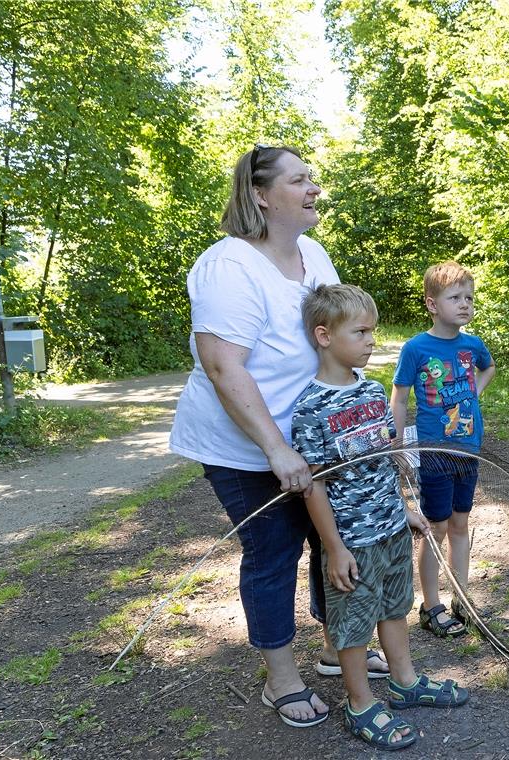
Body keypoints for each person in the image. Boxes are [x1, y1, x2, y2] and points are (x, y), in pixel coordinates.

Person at [168, 145, 386, 729]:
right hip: (245, 445)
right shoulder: (229, 267)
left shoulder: (313, 252)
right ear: (261, 195)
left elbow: (335, 336)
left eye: (312, 178)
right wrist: (275, 448)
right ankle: (281, 680)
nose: (314, 188)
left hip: (315, 434)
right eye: (299, 180)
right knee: (273, 553)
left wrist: (359, 416)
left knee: (331, 542)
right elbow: (222, 365)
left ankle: (333, 647)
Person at [292, 283, 470, 750]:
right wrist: (334, 548)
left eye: (373, 331)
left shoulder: (371, 392)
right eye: (362, 331)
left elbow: (385, 459)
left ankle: (405, 682)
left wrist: (405, 509)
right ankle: (360, 703)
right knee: (352, 625)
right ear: (324, 336)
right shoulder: (312, 408)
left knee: (395, 606)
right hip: (353, 540)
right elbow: (316, 485)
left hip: (390, 529)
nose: (373, 340)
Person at [390, 261, 496, 638]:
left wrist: (474, 394)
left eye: (469, 297)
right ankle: (431, 604)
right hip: (435, 452)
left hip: (469, 450)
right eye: (455, 298)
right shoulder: (417, 349)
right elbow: (400, 398)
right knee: (434, 528)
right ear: (433, 304)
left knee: (460, 523)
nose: (465, 304)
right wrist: (396, 441)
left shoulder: (472, 345)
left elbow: (488, 368)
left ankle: (462, 597)